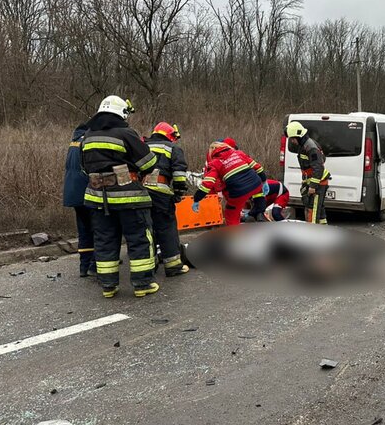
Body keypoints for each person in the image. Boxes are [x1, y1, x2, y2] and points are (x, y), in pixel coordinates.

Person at [81, 95, 159, 298]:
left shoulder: (87, 136)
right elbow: (148, 163)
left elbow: (84, 168)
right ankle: (142, 284)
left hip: (98, 199)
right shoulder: (126, 133)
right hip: (130, 198)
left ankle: (108, 286)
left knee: (105, 240)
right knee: (139, 239)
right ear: (122, 113)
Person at [144, 122, 189, 277]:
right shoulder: (173, 148)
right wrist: (178, 193)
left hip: (139, 192)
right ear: (170, 135)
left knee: (145, 230)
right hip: (160, 193)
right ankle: (173, 266)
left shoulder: (141, 145)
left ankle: (148, 267)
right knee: (166, 228)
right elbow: (179, 174)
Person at [192, 141, 266, 226]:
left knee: (230, 213)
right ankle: (258, 211)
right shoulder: (238, 153)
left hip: (240, 191)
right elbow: (258, 167)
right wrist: (264, 181)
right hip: (256, 184)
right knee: (257, 194)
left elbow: (208, 183)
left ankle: (234, 235)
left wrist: (197, 199)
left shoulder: (215, 163)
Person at [63, 122, 95, 277]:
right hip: (86, 191)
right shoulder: (88, 141)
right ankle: (95, 264)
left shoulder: (74, 142)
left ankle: (84, 265)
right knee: (97, 227)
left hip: (73, 191)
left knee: (83, 229)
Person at [285, 121, 330, 224]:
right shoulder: (304, 145)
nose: (292, 141)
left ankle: (312, 234)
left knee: (312, 211)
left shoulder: (310, 147)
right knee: (319, 211)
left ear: (299, 136)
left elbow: (318, 167)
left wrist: (313, 186)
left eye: (293, 138)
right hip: (314, 181)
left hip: (318, 183)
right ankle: (324, 232)